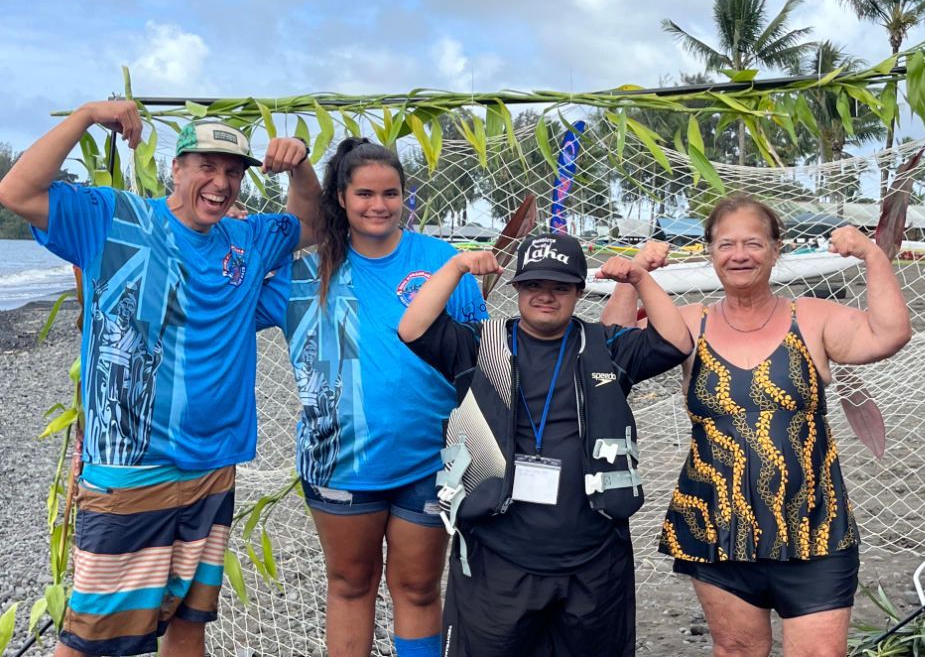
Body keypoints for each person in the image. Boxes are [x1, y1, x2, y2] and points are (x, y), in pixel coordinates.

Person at [0, 100, 320, 657]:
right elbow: (16, 192)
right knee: (90, 640)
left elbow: (310, 225)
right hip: (130, 468)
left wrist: (299, 168)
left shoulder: (248, 241)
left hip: (214, 466)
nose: (220, 183)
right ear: (177, 168)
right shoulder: (114, 218)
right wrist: (85, 116)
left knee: (188, 622)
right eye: (206, 166)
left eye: (233, 171)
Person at [602, 193, 912, 657]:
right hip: (716, 525)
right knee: (738, 650)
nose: (739, 254)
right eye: (726, 244)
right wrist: (632, 275)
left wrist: (870, 254)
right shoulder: (689, 324)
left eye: (753, 243)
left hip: (814, 526)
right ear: (709, 252)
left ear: (776, 249)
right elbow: (613, 352)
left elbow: (890, 332)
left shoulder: (810, 317)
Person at [397, 232, 694, 657]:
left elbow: (674, 342)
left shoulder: (605, 345)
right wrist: (457, 266)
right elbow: (413, 328)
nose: (546, 297)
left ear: (578, 291)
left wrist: (638, 277)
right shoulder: (482, 344)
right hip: (497, 555)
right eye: (535, 285)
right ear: (518, 288)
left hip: (594, 556)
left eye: (560, 287)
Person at [254, 137, 487, 657]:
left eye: (390, 193)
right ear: (340, 197)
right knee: (350, 587)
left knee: (419, 590)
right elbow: (215, 311)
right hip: (339, 461)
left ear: (406, 196)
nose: (378, 205)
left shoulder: (442, 263)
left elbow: (483, 358)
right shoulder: (304, 273)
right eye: (364, 194)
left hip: (430, 459)